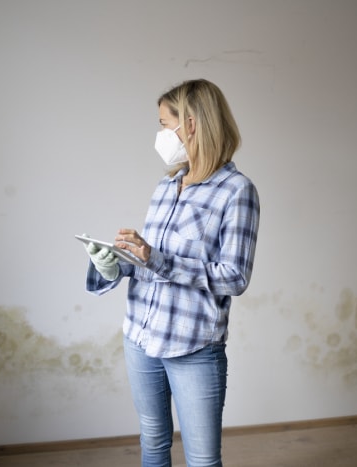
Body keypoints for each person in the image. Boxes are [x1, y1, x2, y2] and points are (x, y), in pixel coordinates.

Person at [84, 78, 260, 467]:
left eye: (165, 123)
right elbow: (150, 266)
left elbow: (235, 276)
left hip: (193, 346)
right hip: (140, 336)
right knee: (152, 441)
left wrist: (156, 258)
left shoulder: (236, 191)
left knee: (201, 460)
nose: (161, 133)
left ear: (192, 124)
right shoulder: (166, 186)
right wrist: (114, 262)